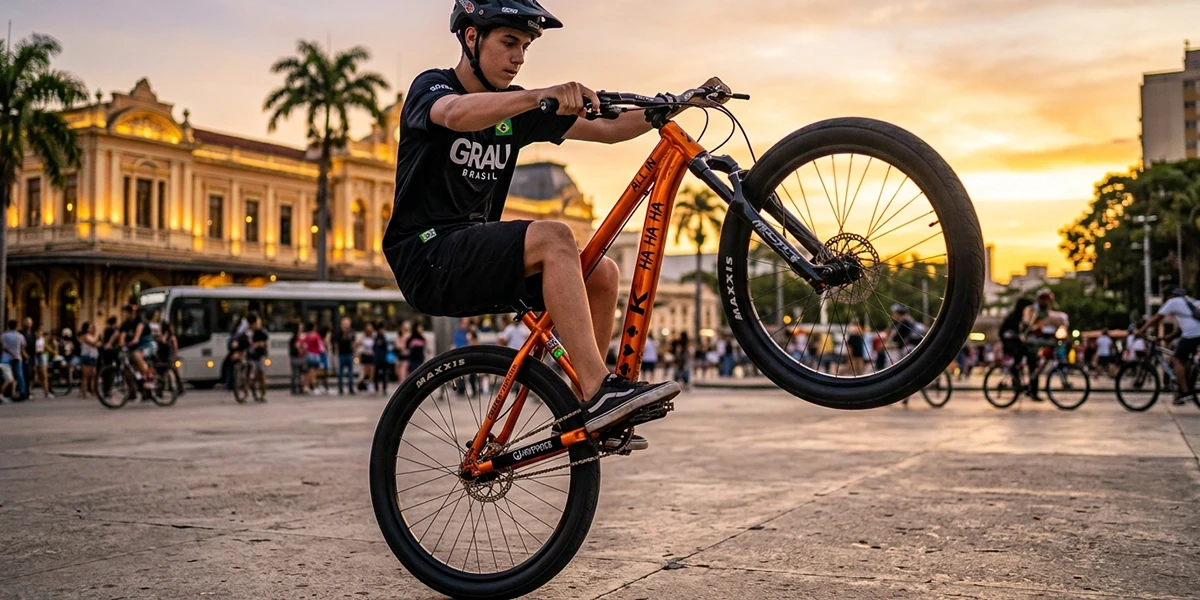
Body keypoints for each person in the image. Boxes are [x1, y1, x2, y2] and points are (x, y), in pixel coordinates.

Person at [380, 0, 710, 437]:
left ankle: (585, 409)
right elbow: (455, 114)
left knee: (601, 273)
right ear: (472, 38)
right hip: (428, 255)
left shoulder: (515, 110)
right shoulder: (434, 87)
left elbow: (609, 130)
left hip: (474, 255)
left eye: (525, 47)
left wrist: (675, 105)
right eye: (509, 43)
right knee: (554, 236)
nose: (518, 57)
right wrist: (537, 96)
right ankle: (598, 389)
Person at [1135, 287, 1200, 404]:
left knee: (1176, 359)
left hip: (1193, 335)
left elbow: (1157, 318)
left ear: (1169, 296)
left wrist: (1141, 331)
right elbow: (1180, 329)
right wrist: (1166, 338)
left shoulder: (1173, 301)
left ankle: (1185, 392)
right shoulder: (1191, 302)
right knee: (1185, 360)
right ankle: (1187, 384)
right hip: (1196, 334)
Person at [243, 313, 269, 402]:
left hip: (259, 356)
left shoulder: (261, 331)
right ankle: (246, 392)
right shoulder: (247, 332)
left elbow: (265, 342)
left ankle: (263, 393)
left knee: (261, 374)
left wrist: (258, 344)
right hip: (250, 356)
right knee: (249, 374)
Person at [2, 320, 28, 401]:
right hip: (17, 357)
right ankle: (22, 392)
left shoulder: (4, 335)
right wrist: (24, 356)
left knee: (6, 376)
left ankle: (6, 392)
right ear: (16, 326)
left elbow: (3, 346)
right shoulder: (20, 336)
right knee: (19, 375)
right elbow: (22, 347)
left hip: (6, 358)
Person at [333, 317, 357, 396]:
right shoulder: (338, 332)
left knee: (350, 372)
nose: (346, 326)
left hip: (349, 353)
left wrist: (354, 351)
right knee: (340, 372)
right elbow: (336, 343)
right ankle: (340, 388)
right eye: (344, 324)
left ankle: (351, 388)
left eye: (347, 324)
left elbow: (353, 342)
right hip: (341, 354)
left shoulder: (352, 331)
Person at [77, 322, 100, 399]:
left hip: (93, 356)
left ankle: (92, 391)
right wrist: (97, 335)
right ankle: (84, 392)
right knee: (85, 376)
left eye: (92, 328)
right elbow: (93, 342)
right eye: (90, 328)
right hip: (87, 356)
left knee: (93, 375)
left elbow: (97, 344)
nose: (92, 329)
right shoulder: (86, 336)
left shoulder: (92, 336)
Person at [358, 322, 377, 393]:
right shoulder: (363, 337)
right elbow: (357, 344)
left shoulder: (374, 336)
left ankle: (371, 384)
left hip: (372, 355)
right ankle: (363, 384)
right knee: (365, 371)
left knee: (372, 369)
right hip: (365, 355)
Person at [289, 322, 307, 395]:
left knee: (301, 373)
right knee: (295, 374)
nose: (301, 329)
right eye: (300, 327)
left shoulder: (302, 337)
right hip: (295, 357)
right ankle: (295, 388)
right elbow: (292, 350)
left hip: (301, 357)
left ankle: (300, 387)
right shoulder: (293, 339)